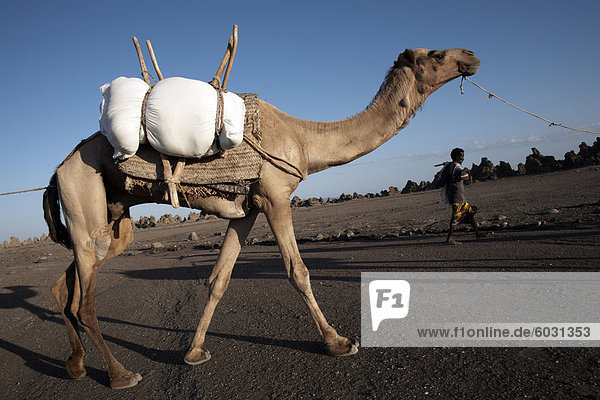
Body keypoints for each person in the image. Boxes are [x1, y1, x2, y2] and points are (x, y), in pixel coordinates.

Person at [441, 148, 480, 245]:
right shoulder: (454, 167)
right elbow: (458, 177)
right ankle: (449, 239)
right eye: (461, 156)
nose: (462, 158)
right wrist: (466, 172)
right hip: (457, 197)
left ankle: (478, 234)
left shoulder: (452, 166)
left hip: (460, 197)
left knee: (470, 212)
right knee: (455, 219)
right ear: (456, 157)